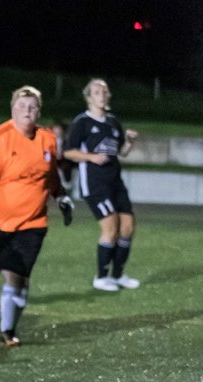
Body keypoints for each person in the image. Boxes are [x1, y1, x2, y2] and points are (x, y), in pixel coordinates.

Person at [0, 86, 74, 347]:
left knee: (17, 277)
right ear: (12, 110)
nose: (27, 112)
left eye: (33, 107)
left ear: (39, 111)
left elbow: (50, 174)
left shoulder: (47, 139)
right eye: (22, 107)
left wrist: (61, 195)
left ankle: (8, 331)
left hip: (31, 224)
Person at [64, 78, 140, 292]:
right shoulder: (82, 122)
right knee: (111, 228)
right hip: (95, 185)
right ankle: (101, 277)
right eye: (97, 92)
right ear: (89, 97)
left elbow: (120, 153)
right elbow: (68, 152)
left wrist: (130, 142)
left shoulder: (113, 122)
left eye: (105, 91)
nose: (102, 95)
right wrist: (90, 157)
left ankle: (118, 275)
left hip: (115, 181)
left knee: (128, 228)